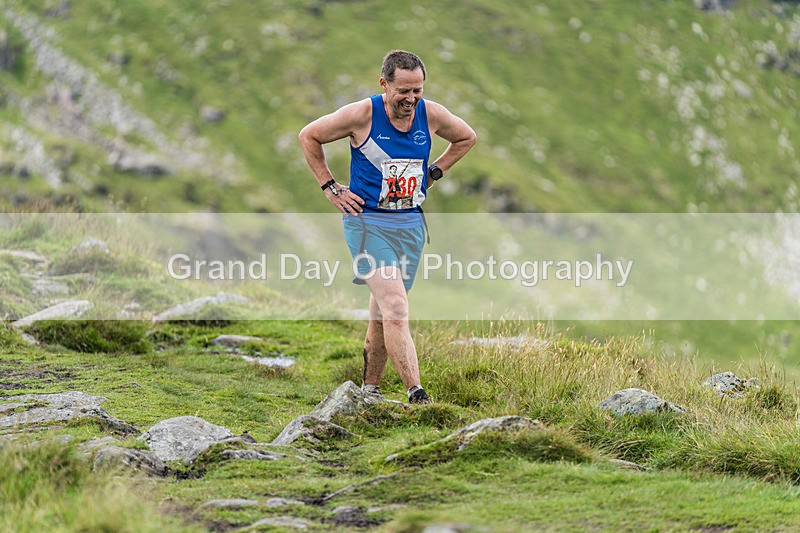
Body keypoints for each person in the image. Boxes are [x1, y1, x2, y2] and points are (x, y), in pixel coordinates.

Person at [298, 50, 476, 404]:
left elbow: (467, 138)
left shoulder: (431, 114)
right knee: (395, 305)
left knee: (383, 310)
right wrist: (330, 188)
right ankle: (417, 392)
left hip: (410, 224)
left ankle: (370, 391)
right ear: (385, 85)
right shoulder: (362, 115)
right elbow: (309, 136)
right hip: (367, 224)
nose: (410, 100)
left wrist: (433, 173)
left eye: (417, 91)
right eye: (403, 91)